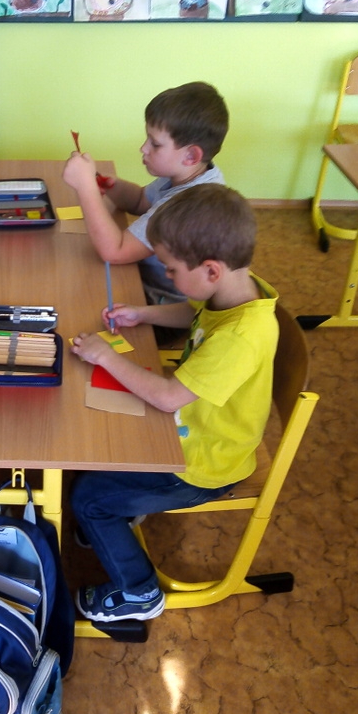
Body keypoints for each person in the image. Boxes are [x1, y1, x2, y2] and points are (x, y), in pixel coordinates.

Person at [69, 184, 278, 623]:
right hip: (193, 432)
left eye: (170, 268)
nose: (165, 275)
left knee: (88, 498)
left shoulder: (241, 338)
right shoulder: (234, 289)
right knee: (96, 446)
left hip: (204, 465)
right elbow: (193, 311)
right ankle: (116, 521)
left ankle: (139, 592)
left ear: (211, 269)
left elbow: (167, 398)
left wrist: (105, 356)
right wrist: (142, 314)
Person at [62, 81, 229, 305]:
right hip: (142, 277)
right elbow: (141, 201)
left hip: (162, 300)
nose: (143, 148)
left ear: (191, 156)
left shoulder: (189, 204)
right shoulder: (188, 173)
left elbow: (115, 252)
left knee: (76, 294)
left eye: (155, 144)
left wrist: (86, 188)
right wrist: (112, 186)